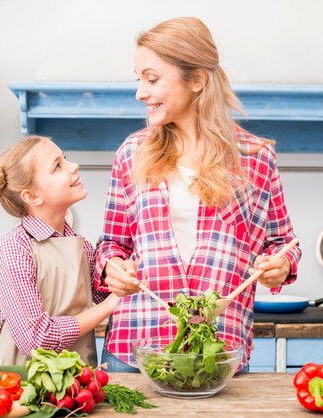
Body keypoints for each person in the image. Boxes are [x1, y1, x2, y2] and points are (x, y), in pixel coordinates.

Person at [94, 17, 302, 372]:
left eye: (152, 78)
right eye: (139, 78)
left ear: (197, 81)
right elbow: (112, 244)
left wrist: (280, 265)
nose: (140, 92)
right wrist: (112, 268)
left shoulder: (255, 158)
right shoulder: (131, 153)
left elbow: (283, 243)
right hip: (134, 349)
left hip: (218, 353)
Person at [0, 135, 118, 366]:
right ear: (31, 196)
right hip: (26, 388)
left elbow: (105, 294)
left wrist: (118, 264)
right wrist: (109, 305)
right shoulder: (15, 250)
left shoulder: (80, 245)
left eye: (65, 159)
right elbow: (36, 339)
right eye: (58, 166)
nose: (74, 167)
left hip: (81, 385)